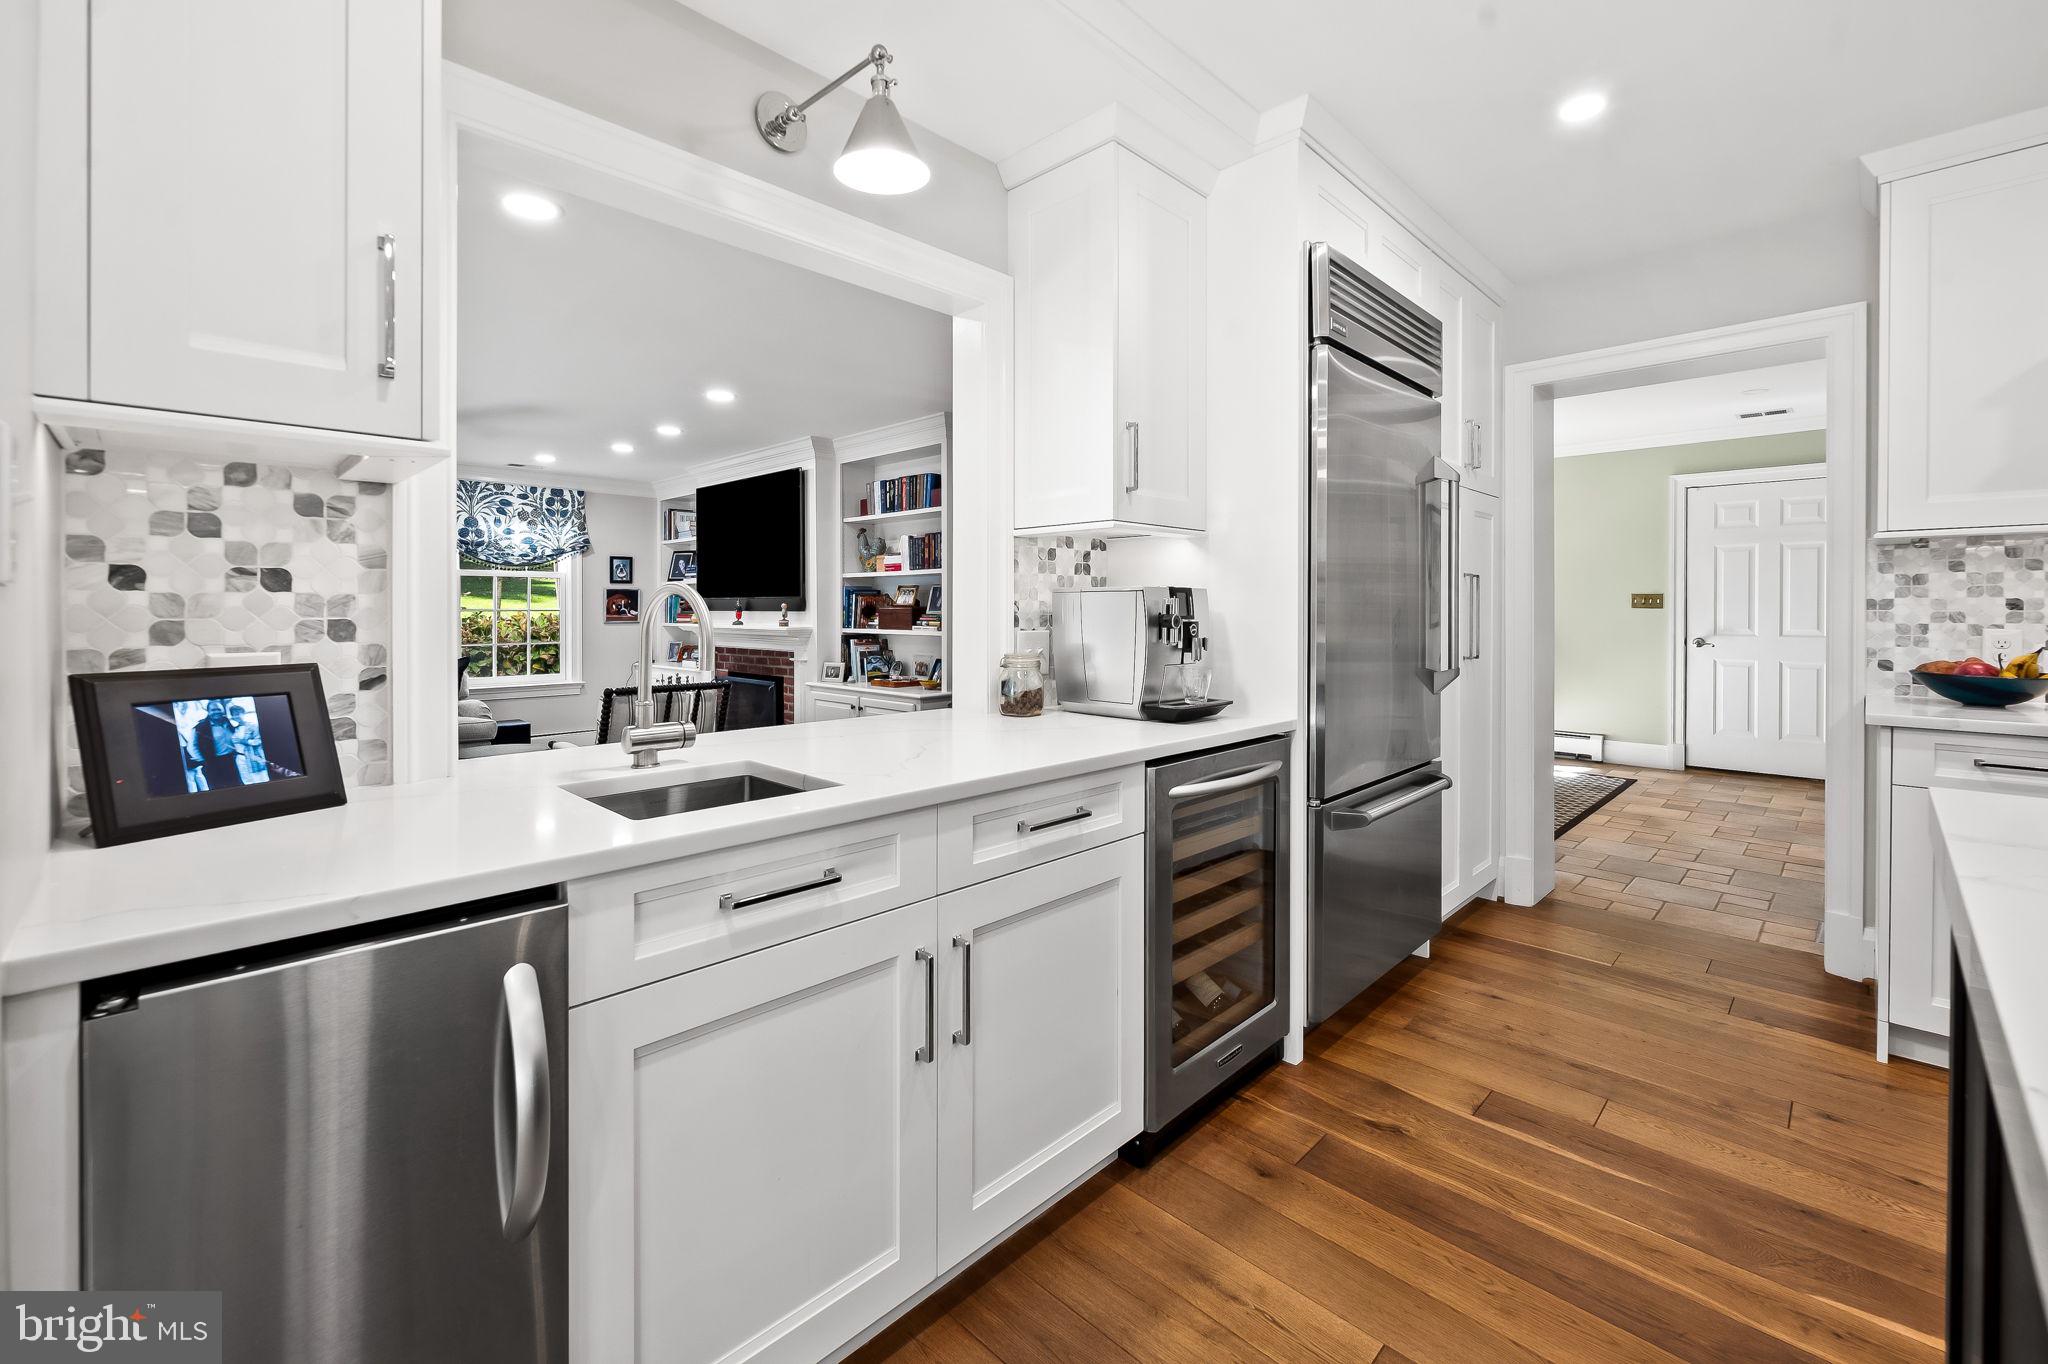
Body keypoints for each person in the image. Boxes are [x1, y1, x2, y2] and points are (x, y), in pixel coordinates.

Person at [183, 699, 245, 792]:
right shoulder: (200, 727)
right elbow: (191, 747)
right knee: (218, 790)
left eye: (219, 709)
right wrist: (203, 760)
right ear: (208, 712)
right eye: (213, 710)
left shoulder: (227, 722)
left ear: (223, 710)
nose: (216, 712)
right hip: (213, 763)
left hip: (230, 761)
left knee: (236, 787)